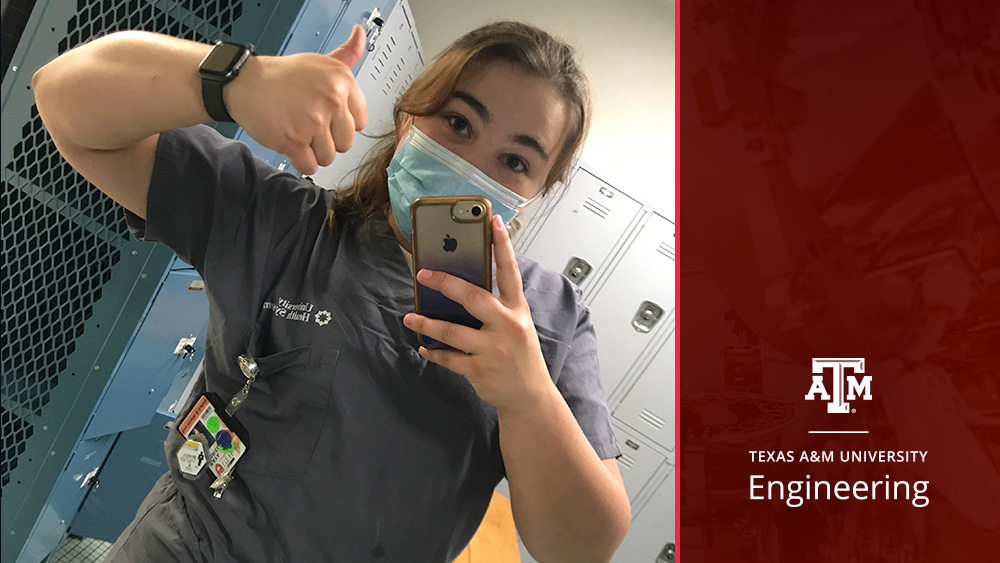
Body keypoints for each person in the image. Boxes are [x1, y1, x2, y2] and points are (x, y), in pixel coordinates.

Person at [32, 20, 630, 562]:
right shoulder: (282, 223)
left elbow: (582, 548)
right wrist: (233, 80)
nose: (473, 166)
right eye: (457, 122)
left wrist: (527, 396)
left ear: (540, 188)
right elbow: (62, 99)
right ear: (408, 118)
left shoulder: (551, 321)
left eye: (516, 160)